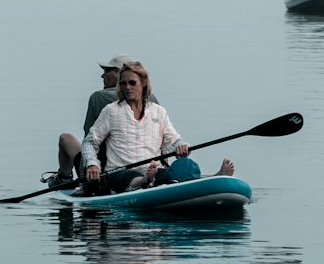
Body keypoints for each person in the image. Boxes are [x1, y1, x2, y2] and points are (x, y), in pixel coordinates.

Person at [82, 60, 234, 191]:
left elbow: (174, 141)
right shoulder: (111, 111)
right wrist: (92, 164)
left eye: (132, 83)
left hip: (152, 169)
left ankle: (214, 178)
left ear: (143, 83)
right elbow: (90, 141)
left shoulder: (158, 112)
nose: (127, 87)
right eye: (123, 83)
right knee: (130, 176)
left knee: (183, 165)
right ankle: (144, 181)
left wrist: (181, 147)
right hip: (120, 172)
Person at [48, 56, 134, 186]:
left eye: (106, 71)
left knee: (65, 139)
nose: (102, 76)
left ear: (120, 74)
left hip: (99, 170)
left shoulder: (98, 97)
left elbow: (89, 138)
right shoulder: (151, 98)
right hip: (144, 164)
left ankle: (64, 179)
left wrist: (91, 164)